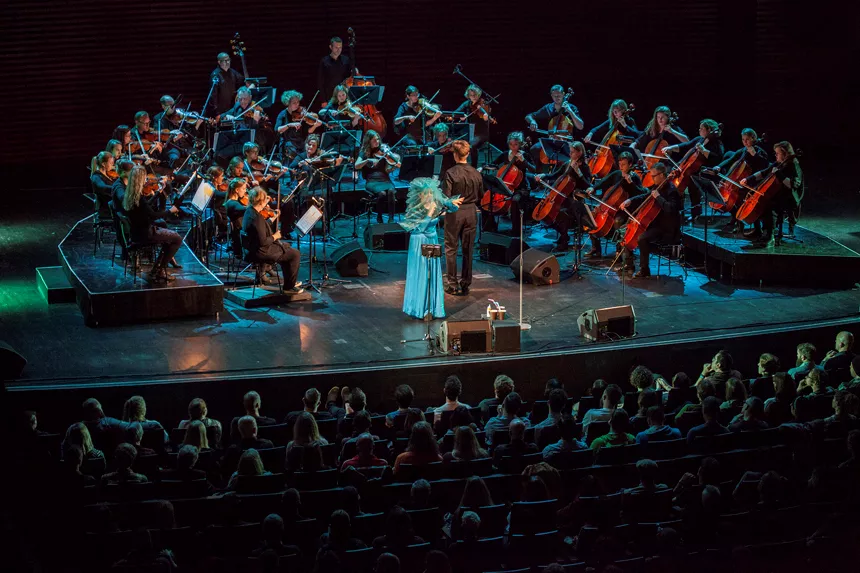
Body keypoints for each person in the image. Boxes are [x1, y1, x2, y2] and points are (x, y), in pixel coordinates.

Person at [401, 178, 464, 320]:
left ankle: (432, 308)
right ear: (420, 195)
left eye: (431, 192)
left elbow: (450, 206)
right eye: (426, 193)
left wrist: (452, 202)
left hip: (432, 239)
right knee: (422, 273)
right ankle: (419, 308)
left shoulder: (435, 202)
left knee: (432, 273)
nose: (429, 195)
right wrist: (430, 213)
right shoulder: (415, 209)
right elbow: (421, 228)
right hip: (420, 242)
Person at [618, 162, 682, 278]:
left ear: (661, 175)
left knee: (642, 238)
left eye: (654, 176)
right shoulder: (658, 186)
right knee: (625, 230)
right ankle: (629, 264)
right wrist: (630, 200)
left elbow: (670, 209)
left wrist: (658, 197)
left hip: (666, 228)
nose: (652, 179)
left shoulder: (672, 190)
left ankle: (644, 270)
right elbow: (646, 196)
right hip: (655, 224)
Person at [122, 165, 182, 283]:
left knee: (168, 238)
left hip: (136, 232)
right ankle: (159, 270)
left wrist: (158, 193)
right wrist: (170, 211)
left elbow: (146, 207)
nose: (146, 181)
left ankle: (158, 269)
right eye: (144, 178)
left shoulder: (130, 195)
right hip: (145, 234)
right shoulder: (139, 199)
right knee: (177, 239)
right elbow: (153, 215)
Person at [583, 151, 645, 262]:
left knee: (618, 221)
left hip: (626, 209)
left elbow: (640, 194)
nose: (621, 167)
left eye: (624, 165)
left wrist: (630, 183)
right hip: (611, 206)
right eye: (620, 164)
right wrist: (593, 188)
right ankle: (596, 248)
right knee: (591, 217)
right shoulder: (617, 174)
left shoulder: (634, 177)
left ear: (630, 164)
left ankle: (619, 251)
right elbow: (604, 181)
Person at [740, 140, 804, 245]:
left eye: (778, 153)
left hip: (789, 197)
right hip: (778, 194)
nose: (776, 155)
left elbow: (793, 185)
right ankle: (759, 230)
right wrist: (748, 179)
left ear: (785, 154)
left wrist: (779, 174)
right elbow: (764, 172)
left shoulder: (793, 165)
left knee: (768, 204)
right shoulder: (779, 163)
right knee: (760, 201)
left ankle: (770, 236)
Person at [534, 140, 593, 251]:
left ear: (580, 153)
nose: (570, 154)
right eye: (570, 151)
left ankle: (564, 239)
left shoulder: (584, 167)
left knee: (560, 213)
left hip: (575, 198)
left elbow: (588, 185)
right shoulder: (567, 163)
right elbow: (555, 175)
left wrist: (578, 173)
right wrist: (544, 175)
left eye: (572, 152)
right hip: (562, 196)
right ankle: (563, 234)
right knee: (549, 215)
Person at [242, 187, 302, 294]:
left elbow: (260, 229)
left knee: (287, 248)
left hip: (253, 248)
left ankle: (289, 281)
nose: (267, 202)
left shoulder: (249, 211)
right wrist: (275, 236)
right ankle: (289, 287)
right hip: (261, 252)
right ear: (261, 201)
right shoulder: (256, 218)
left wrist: (273, 218)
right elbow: (263, 242)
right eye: (266, 199)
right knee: (295, 254)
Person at [441, 140, 482, 296]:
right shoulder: (476, 173)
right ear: (468, 154)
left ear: (455, 154)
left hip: (455, 213)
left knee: (451, 248)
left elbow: (447, 197)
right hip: (471, 212)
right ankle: (465, 283)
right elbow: (481, 195)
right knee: (468, 249)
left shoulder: (451, 173)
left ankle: (452, 284)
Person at [663, 118, 725, 220]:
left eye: (702, 128)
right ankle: (678, 211)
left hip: (708, 172)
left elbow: (718, 158)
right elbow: (685, 146)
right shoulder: (699, 139)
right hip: (695, 171)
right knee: (687, 180)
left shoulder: (717, 143)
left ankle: (696, 213)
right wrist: (670, 148)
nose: (699, 130)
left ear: (709, 130)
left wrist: (704, 150)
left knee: (692, 182)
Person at [711, 128, 770, 232]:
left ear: (754, 138)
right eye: (743, 139)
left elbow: (764, 166)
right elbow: (731, 159)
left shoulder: (760, 152)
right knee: (732, 199)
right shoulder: (743, 150)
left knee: (740, 199)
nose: (745, 142)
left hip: (754, 182)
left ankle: (750, 226)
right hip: (741, 182)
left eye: (747, 139)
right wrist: (719, 166)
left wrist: (755, 155)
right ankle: (736, 219)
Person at [480, 131, 535, 237]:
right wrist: (483, 167)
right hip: (505, 186)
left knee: (515, 200)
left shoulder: (525, 155)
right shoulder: (505, 154)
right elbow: (494, 164)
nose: (513, 147)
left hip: (521, 188)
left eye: (516, 144)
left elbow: (534, 169)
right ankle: (490, 227)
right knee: (487, 201)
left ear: (520, 144)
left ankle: (516, 231)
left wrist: (524, 161)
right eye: (511, 144)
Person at [525, 84, 585, 166]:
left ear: (563, 94)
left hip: (566, 141)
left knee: (568, 154)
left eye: (559, 95)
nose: (557, 98)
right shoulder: (548, 108)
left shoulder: (571, 107)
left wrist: (570, 111)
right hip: (552, 140)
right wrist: (532, 121)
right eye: (554, 96)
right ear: (551, 96)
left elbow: (580, 126)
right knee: (534, 149)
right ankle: (538, 171)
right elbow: (528, 116)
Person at [355, 130, 400, 224]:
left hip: (385, 179)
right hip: (372, 181)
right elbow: (356, 165)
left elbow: (387, 170)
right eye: (374, 140)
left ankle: (391, 219)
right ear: (369, 141)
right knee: (382, 194)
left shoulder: (383, 151)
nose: (377, 142)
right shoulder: (364, 153)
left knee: (391, 191)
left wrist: (394, 166)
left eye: (378, 139)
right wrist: (367, 160)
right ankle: (379, 217)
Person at [275, 90, 323, 159]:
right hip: (289, 145)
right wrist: (290, 125)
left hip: (301, 144)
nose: (297, 104)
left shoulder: (302, 113)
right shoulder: (283, 114)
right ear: (288, 103)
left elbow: (308, 131)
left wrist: (315, 125)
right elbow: (278, 129)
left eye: (298, 102)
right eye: (294, 103)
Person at [453, 84, 494, 166]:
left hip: (481, 133)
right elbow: (455, 113)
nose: (473, 97)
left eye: (475, 95)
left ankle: (473, 167)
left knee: (471, 145)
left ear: (478, 94)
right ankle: (459, 165)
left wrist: (486, 119)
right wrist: (462, 115)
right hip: (468, 132)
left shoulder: (483, 104)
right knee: (456, 143)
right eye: (471, 95)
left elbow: (488, 121)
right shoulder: (467, 104)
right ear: (468, 96)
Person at [318, 37, 352, 108]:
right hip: (329, 97)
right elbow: (320, 81)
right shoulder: (324, 61)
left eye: (340, 47)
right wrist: (323, 100)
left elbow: (349, 78)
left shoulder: (346, 60)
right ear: (331, 47)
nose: (338, 50)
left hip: (343, 97)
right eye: (336, 47)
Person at [90, 151, 116, 222]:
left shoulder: (108, 175)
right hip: (107, 208)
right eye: (111, 163)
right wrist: (117, 188)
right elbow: (102, 187)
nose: (113, 165)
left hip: (113, 204)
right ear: (103, 164)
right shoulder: (96, 176)